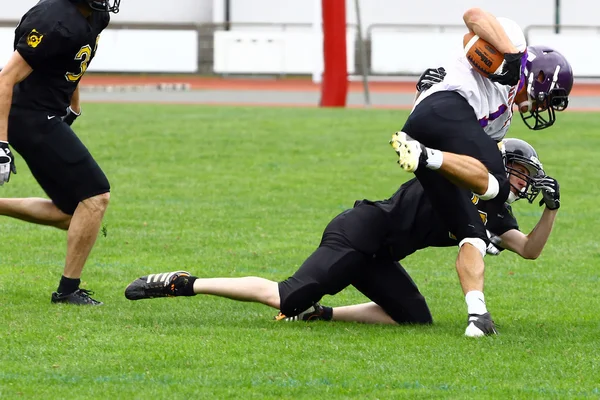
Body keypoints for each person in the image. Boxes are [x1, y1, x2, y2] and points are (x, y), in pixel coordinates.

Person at [124, 139, 560, 336]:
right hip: (360, 231)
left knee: (413, 319)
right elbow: (430, 150)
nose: (522, 183)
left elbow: (529, 250)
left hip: (381, 255)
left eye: (526, 177)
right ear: (494, 164)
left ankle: (322, 315)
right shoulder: (452, 176)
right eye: (519, 173)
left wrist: (552, 212)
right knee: (285, 296)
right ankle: (185, 282)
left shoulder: (495, 210)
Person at [387, 8, 572, 336]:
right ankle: (427, 157)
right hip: (445, 106)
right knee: (499, 185)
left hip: (429, 130)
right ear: (541, 77)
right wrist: (512, 55)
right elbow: (472, 18)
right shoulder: (514, 42)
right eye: (549, 99)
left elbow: (470, 153)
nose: (543, 108)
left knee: (471, 233)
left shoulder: (502, 120)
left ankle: (477, 317)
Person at [0, 0, 121, 305]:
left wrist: (74, 105)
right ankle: (68, 291)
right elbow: (5, 78)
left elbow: (72, 65)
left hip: (46, 112)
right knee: (95, 197)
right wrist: (1, 144)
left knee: (73, 213)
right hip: (28, 115)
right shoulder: (55, 20)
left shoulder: (95, 14)